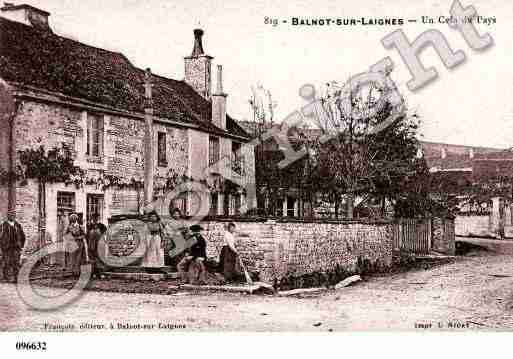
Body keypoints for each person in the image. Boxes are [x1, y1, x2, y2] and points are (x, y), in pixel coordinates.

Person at [0, 210, 26, 283]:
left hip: (16, 248)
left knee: (16, 263)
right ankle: (6, 278)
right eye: (10, 215)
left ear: (15, 216)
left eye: (13, 215)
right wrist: (2, 246)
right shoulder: (3, 226)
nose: (12, 216)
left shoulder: (18, 225)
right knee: (7, 263)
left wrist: (21, 246)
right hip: (7, 248)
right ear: (8, 216)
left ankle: (16, 278)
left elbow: (23, 236)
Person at [86, 214, 107, 278]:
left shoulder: (102, 226)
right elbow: (87, 236)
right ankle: (93, 273)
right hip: (91, 245)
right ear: (92, 218)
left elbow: (104, 235)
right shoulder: (89, 226)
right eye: (94, 218)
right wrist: (89, 244)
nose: (95, 219)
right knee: (92, 259)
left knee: (100, 258)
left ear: (98, 218)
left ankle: (101, 273)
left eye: (96, 218)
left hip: (100, 244)